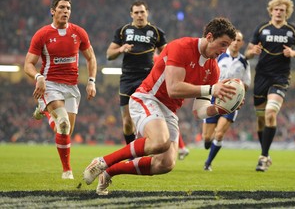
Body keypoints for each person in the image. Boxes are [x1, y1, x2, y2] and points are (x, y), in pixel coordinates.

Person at [83, 17, 238, 195]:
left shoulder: (213, 69)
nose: (224, 50)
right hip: (147, 98)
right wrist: (212, 89)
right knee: (160, 142)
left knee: (166, 163)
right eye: (222, 44)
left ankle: (109, 172)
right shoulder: (182, 47)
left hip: (169, 110)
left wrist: (221, 108)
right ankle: (102, 161)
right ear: (209, 37)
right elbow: (173, 88)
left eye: (227, 46)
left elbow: (199, 111)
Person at [24, 0, 97, 180]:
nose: (65, 11)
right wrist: (38, 76)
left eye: (68, 8)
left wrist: (91, 81)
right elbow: (28, 65)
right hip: (50, 84)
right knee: (63, 123)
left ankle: (44, 110)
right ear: (53, 11)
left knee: (65, 131)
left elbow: (91, 58)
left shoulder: (79, 32)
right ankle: (67, 171)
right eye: (62, 8)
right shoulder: (42, 34)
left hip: (72, 87)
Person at [245, 0, 295, 172]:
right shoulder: (262, 28)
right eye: (276, 9)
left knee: (270, 113)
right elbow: (247, 53)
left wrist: (294, 53)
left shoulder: (292, 30)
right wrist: (253, 51)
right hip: (261, 76)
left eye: (282, 10)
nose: (279, 12)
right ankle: (265, 153)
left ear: (287, 12)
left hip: (280, 77)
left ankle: (263, 156)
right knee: (260, 119)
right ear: (271, 11)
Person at [106, 0, 167, 145]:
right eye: (136, 12)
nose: (139, 15)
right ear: (131, 14)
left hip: (147, 78)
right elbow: (109, 54)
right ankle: (131, 151)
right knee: (127, 121)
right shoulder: (122, 31)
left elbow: (166, 55)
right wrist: (121, 49)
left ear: (147, 13)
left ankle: (151, 144)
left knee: (148, 116)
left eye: (142, 12)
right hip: (127, 77)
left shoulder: (156, 32)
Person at [202, 30, 251, 171]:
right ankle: (207, 143)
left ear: (242, 43)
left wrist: (238, 89)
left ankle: (208, 163)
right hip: (214, 97)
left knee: (219, 133)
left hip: (231, 101)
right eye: (234, 39)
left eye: (239, 40)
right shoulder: (219, 56)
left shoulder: (244, 62)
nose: (236, 42)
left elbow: (247, 84)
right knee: (206, 137)